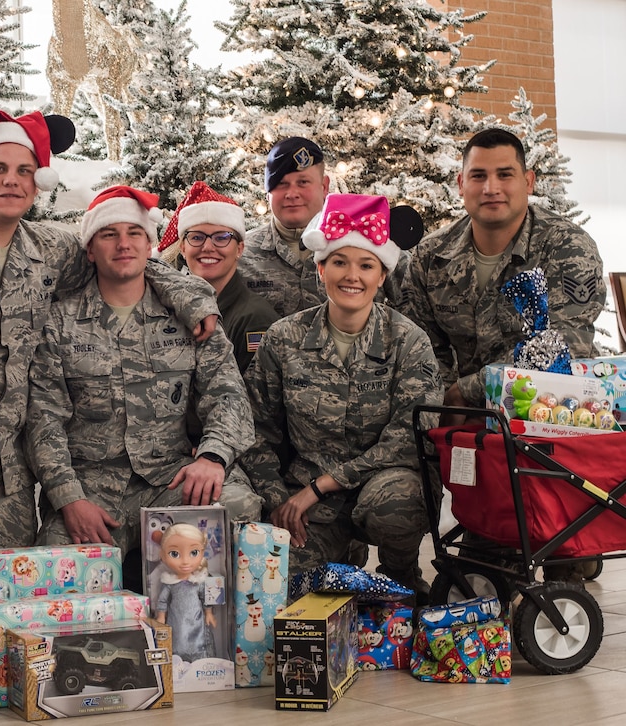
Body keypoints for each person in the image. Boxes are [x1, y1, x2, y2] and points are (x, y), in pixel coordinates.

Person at [0, 110, 219, 548]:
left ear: (39, 181)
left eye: (25, 171)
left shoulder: (51, 248)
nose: (12, 181)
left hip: (12, 460)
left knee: (16, 575)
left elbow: (122, 257)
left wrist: (190, 295)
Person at [26, 185, 260, 561]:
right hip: (92, 488)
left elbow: (228, 394)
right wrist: (69, 499)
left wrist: (213, 457)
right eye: (109, 234)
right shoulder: (59, 324)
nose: (124, 244)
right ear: (89, 248)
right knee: (58, 566)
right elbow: (43, 420)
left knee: (236, 505)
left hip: (171, 477)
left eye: (135, 232)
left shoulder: (188, 315)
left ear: (150, 244)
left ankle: (209, 618)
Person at [242, 194, 441, 598]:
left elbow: (407, 440)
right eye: (339, 262)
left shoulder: (408, 341)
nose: (353, 276)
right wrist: (281, 502)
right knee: (286, 594)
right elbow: (257, 431)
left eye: (366, 265)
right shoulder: (283, 339)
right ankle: (341, 557)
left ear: (381, 275)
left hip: (381, 485)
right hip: (310, 500)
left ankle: (401, 575)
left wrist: (321, 486)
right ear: (320, 268)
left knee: (398, 503)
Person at [404, 128, 605, 416]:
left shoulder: (568, 248)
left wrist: (467, 392)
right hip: (461, 424)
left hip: (548, 416)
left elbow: (563, 349)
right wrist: (440, 408)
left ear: (528, 181)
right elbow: (421, 349)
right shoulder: (431, 256)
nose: (490, 188)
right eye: (478, 176)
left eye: (505, 174)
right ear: (461, 183)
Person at [240, 136, 406, 318]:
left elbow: (416, 309)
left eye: (303, 182)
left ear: (324, 186)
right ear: (267, 192)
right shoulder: (240, 254)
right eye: (281, 184)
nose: (292, 194)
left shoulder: (369, 243)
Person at [159, 181, 278, 372]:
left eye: (221, 237)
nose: (207, 247)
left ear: (239, 249)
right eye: (197, 237)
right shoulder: (168, 310)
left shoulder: (254, 319)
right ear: (182, 248)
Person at [153, 523, 216, 663]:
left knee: (199, 642)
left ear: (202, 552)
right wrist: (160, 617)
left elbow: (205, 597)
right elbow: (162, 601)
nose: (185, 561)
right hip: (177, 622)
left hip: (196, 622)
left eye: (194, 553)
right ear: (162, 554)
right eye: (174, 554)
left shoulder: (198, 581)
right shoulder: (170, 583)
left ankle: (201, 661)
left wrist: (209, 613)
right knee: (177, 641)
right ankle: (177, 663)